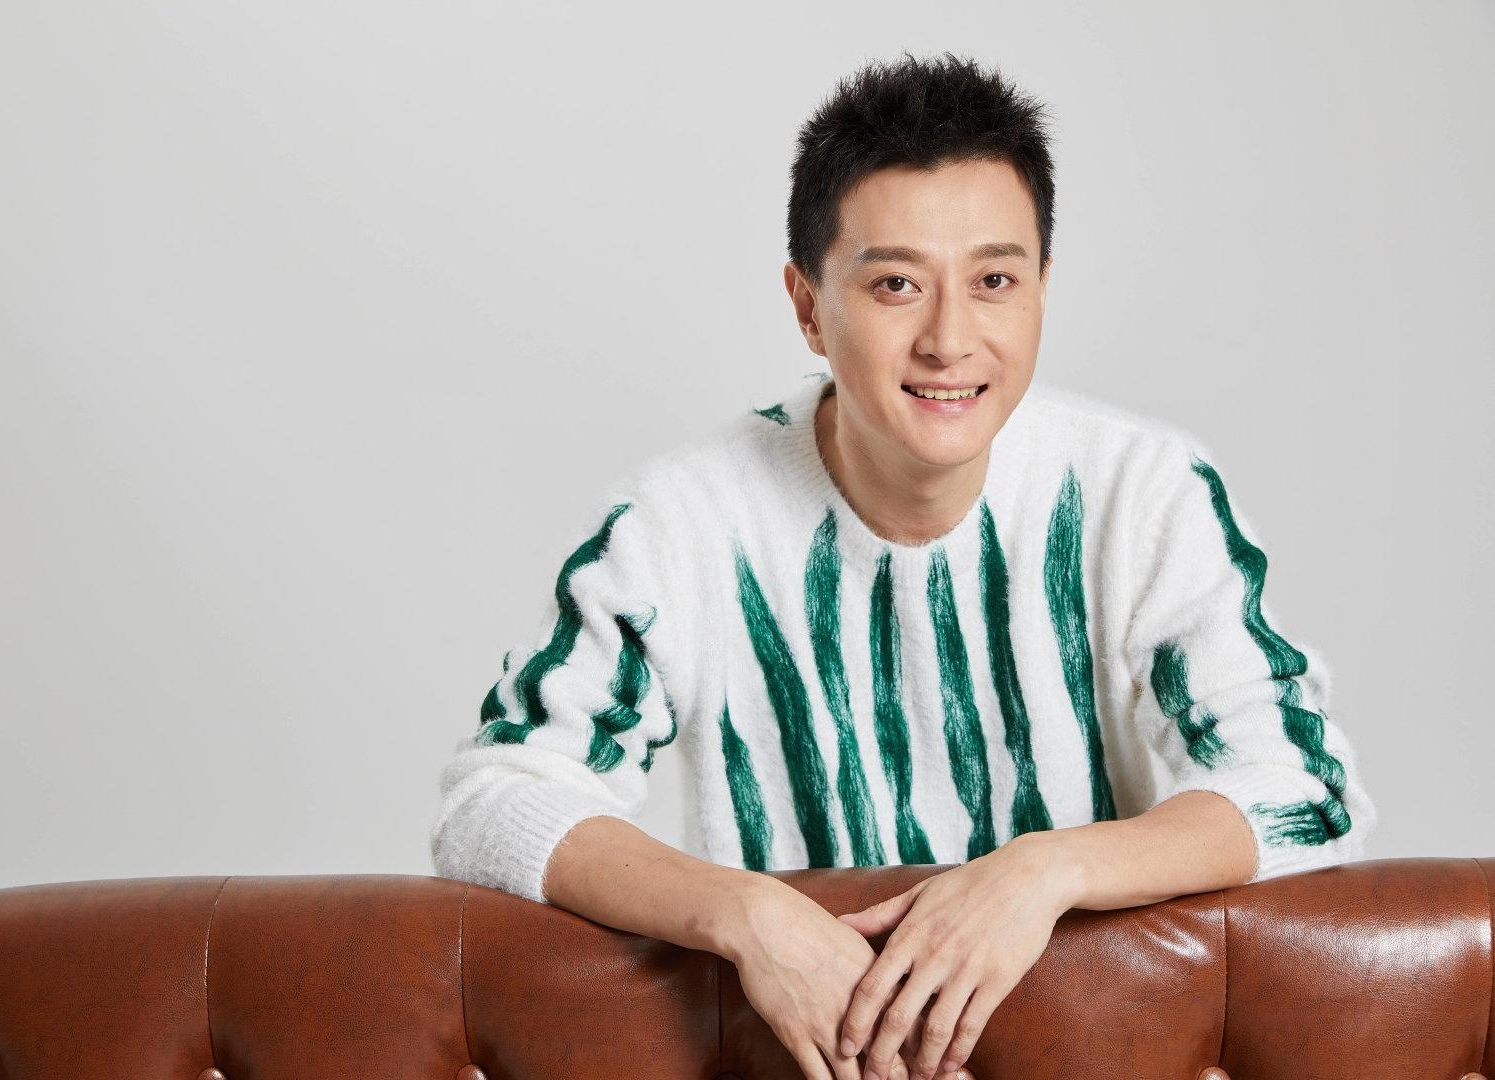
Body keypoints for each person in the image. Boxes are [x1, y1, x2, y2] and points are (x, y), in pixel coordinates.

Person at [429, 50, 1377, 1080]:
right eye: (895, 285)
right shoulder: (683, 521)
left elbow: (1303, 786)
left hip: (1087, 1037)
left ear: (1042, 291)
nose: (949, 339)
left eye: (995, 281)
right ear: (808, 307)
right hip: (806, 1057)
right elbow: (496, 801)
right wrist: (745, 912)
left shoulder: (1141, 490)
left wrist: (1041, 872)